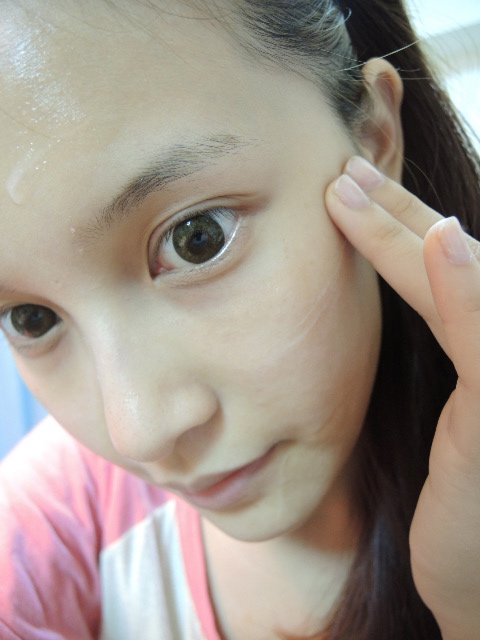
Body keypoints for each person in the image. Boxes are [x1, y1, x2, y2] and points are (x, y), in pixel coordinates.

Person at [0, 0, 479, 638]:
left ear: (373, 136)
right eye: (30, 318)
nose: (139, 433)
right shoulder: (44, 537)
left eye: (196, 238)